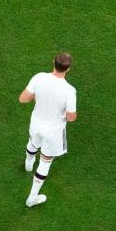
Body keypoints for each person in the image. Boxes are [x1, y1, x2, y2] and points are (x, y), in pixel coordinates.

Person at [18, 53, 77, 208]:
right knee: (45, 161)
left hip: (36, 123)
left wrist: (38, 98)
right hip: (54, 131)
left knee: (33, 142)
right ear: (68, 69)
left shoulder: (39, 78)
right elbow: (71, 117)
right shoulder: (69, 91)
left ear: (53, 62)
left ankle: (28, 163)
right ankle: (32, 198)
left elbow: (23, 99)